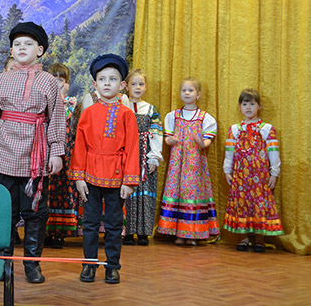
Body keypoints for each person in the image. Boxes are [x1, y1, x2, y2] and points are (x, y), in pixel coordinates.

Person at [0, 22, 65, 284]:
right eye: (17, 44)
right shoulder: (0, 80)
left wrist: (56, 152)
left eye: (28, 44)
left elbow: (56, 118)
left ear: (39, 50)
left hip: (35, 155)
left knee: (35, 212)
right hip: (4, 153)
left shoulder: (48, 82)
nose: (22, 48)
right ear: (11, 50)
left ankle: (32, 264)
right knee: (3, 211)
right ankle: (3, 263)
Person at [69, 54, 139, 284]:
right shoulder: (88, 113)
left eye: (113, 79)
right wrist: (79, 177)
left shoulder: (127, 114)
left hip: (116, 177)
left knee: (113, 225)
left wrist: (129, 181)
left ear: (122, 85)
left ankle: (112, 266)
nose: (107, 83)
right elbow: (80, 146)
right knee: (89, 224)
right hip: (90, 175)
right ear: (95, 84)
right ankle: (89, 265)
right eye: (102, 79)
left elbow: (132, 148)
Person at [157, 77, 219, 245]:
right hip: (177, 163)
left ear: (198, 95)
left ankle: (191, 233)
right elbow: (167, 138)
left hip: (194, 163)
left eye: (190, 90)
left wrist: (201, 143)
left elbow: (207, 141)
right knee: (176, 192)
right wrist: (170, 141)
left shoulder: (205, 118)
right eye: (184, 90)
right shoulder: (173, 116)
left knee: (192, 193)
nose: (187, 93)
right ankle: (178, 233)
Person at [223, 88, 283, 252]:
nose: (248, 107)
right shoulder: (235, 129)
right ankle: (243, 238)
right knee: (241, 205)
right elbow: (229, 152)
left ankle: (259, 239)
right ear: (239, 107)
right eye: (244, 104)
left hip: (260, 177)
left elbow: (273, 152)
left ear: (259, 106)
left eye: (252, 104)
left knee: (259, 205)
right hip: (240, 176)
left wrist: (274, 173)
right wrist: (227, 170)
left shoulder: (266, 128)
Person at [122, 69, 163, 246]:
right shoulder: (122, 106)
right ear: (126, 86)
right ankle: (127, 231)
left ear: (145, 87)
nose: (137, 87)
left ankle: (143, 232)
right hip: (126, 154)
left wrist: (154, 157)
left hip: (144, 155)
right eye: (134, 84)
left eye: (141, 84)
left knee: (145, 194)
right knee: (127, 193)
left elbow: (156, 133)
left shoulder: (151, 109)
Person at [45, 63, 78, 248]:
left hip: (67, 153)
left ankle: (60, 233)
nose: (57, 83)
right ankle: (45, 230)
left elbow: (68, 120)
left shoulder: (71, 103)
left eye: (61, 80)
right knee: (47, 191)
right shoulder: (44, 100)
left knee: (64, 191)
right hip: (48, 151)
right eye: (54, 80)